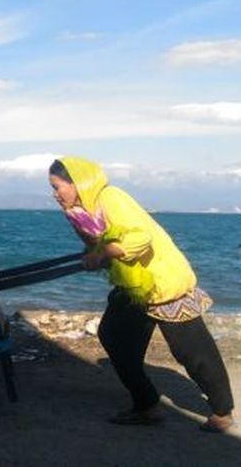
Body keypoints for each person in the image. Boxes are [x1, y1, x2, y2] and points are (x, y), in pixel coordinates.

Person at [48, 156, 235, 432]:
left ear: (78, 183)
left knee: (192, 352)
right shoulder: (80, 211)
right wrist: (94, 254)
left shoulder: (110, 198)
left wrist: (104, 253)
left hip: (162, 283)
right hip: (133, 287)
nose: (54, 194)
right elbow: (97, 246)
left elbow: (140, 238)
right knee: (114, 336)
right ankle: (147, 404)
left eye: (57, 186)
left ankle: (222, 411)